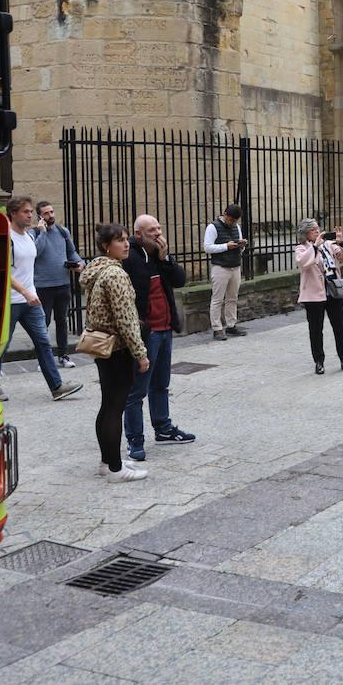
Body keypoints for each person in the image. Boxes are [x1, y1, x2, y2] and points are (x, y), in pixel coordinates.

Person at [0, 196, 83, 403]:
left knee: (43, 342)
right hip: (11, 301)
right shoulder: (7, 238)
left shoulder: (29, 237)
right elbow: (4, 273)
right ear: (13, 214)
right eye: (25, 212)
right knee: (2, 345)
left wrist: (31, 293)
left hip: (30, 301)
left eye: (31, 212)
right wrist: (26, 292)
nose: (30, 215)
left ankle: (57, 387)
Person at [120, 214, 196, 462]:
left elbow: (180, 280)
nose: (158, 234)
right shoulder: (129, 257)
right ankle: (135, 440)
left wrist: (166, 259)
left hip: (164, 330)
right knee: (136, 391)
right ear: (138, 234)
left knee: (161, 384)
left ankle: (163, 428)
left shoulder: (159, 256)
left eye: (159, 228)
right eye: (152, 230)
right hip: (145, 333)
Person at [80, 224, 150, 483]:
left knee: (108, 404)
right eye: (119, 241)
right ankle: (115, 469)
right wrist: (140, 353)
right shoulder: (116, 275)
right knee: (114, 406)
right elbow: (126, 318)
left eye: (125, 239)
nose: (126, 244)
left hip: (102, 346)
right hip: (117, 347)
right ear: (106, 246)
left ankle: (107, 461)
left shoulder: (98, 270)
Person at [295, 218, 343, 375]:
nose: (317, 231)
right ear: (305, 233)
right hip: (313, 295)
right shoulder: (301, 249)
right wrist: (315, 247)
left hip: (333, 291)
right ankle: (319, 361)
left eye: (317, 228)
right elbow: (303, 263)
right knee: (316, 330)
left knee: (340, 327)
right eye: (313, 229)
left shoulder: (328, 245)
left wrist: (341, 243)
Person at [31, 201, 85, 369]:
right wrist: (43, 232)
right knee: (43, 323)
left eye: (52, 212)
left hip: (62, 284)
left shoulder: (63, 231)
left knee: (62, 321)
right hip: (43, 286)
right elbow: (35, 252)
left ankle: (63, 355)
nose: (51, 215)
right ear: (40, 216)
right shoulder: (34, 233)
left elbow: (72, 251)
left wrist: (79, 262)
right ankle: (44, 359)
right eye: (46, 213)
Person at [203, 203, 248, 341]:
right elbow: (207, 247)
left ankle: (231, 325)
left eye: (235, 221)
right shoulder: (213, 227)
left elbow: (240, 248)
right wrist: (226, 246)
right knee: (217, 299)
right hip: (220, 267)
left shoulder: (236, 227)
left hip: (235, 266)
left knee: (232, 298)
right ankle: (217, 328)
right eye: (231, 220)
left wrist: (241, 245)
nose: (232, 223)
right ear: (225, 214)